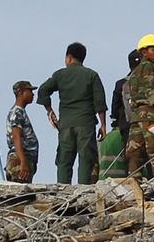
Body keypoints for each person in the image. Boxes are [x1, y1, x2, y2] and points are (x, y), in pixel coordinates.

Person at [37, 41, 109, 183]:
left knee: (64, 160)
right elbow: (100, 103)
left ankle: (62, 191)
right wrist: (103, 125)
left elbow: (43, 90)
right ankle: (83, 191)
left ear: (68, 58)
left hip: (66, 125)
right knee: (86, 159)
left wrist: (49, 111)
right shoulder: (92, 75)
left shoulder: (60, 75)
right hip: (85, 124)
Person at [123, 34, 154, 182]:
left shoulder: (135, 71)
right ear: (144, 52)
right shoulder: (149, 67)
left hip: (137, 116)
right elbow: (152, 90)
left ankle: (134, 179)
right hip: (150, 115)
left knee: (134, 150)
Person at [7, 79, 40, 181]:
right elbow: (16, 136)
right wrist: (23, 161)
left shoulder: (20, 111)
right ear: (21, 92)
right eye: (29, 91)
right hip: (19, 159)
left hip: (24, 158)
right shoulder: (17, 112)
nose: (33, 94)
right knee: (20, 193)